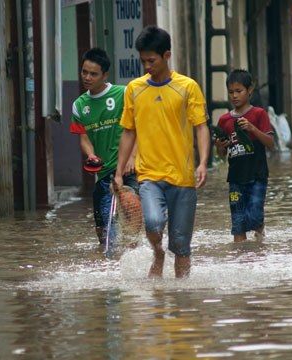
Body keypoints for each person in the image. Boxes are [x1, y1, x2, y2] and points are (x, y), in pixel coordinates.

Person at [113, 26, 210, 278]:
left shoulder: (187, 87)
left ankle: (181, 298)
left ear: (167, 55)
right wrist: (119, 171)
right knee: (153, 223)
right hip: (149, 176)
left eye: (151, 60)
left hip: (183, 177)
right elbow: (128, 132)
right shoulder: (134, 89)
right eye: (143, 60)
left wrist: (202, 163)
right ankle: (157, 252)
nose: (146, 65)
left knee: (181, 246)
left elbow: (201, 127)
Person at [70, 48, 138, 246]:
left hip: (129, 169)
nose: (87, 77)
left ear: (105, 75)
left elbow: (137, 128)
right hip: (102, 173)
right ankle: (107, 263)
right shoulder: (79, 105)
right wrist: (91, 154)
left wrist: (132, 157)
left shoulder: (124, 93)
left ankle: (134, 256)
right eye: (84, 72)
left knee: (132, 218)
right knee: (102, 231)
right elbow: (84, 138)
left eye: (93, 74)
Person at [215, 69, 275, 243]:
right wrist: (220, 146)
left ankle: (260, 228)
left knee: (255, 215)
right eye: (231, 92)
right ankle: (240, 260)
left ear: (250, 90)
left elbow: (270, 143)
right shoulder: (224, 121)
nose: (234, 96)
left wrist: (252, 129)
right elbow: (221, 155)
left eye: (239, 91)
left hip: (257, 177)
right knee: (238, 220)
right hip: (235, 180)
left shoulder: (258, 114)